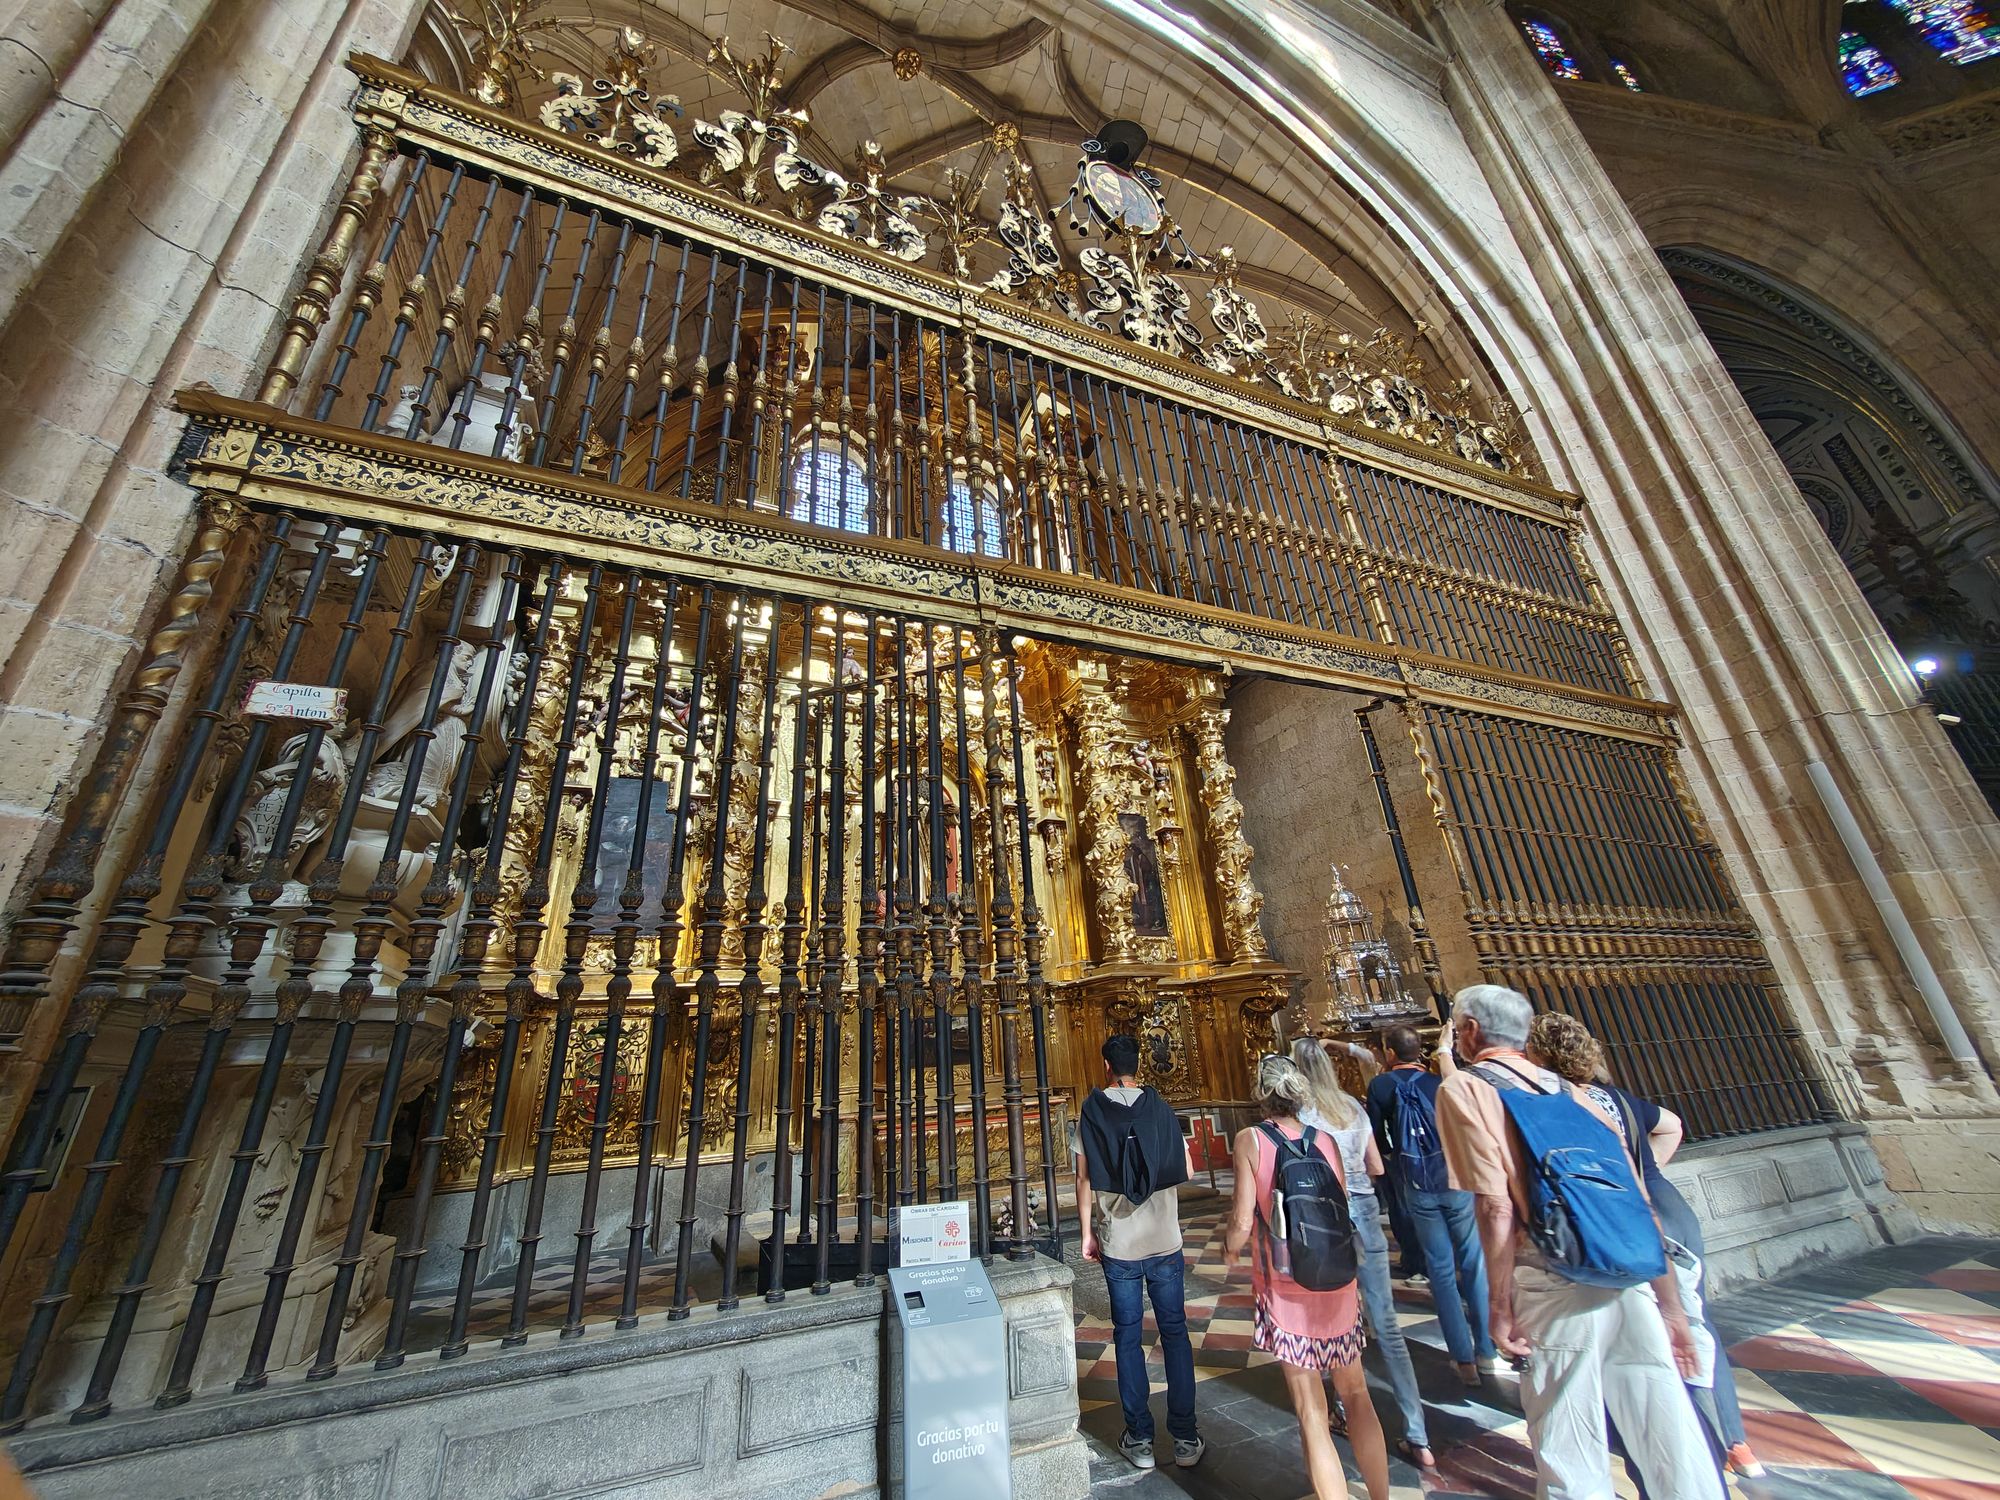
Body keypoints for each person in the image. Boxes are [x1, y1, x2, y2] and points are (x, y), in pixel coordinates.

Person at [1435, 985, 1723, 1500]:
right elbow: (1636, 1197)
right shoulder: (1572, 1090)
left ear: (1471, 1030)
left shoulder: (1466, 1088)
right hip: (1625, 1271)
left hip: (1551, 1275)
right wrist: (1671, 1305)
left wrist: (1498, 1305)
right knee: (1669, 1431)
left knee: (1568, 1440)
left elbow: (1496, 1205)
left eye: (1458, 1028)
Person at [1526, 1012, 1765, 1485]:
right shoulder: (1615, 1096)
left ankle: (1692, 1460)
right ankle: (1736, 1444)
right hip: (1673, 1210)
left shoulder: (1563, 1105)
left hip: (1634, 1221)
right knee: (1696, 1327)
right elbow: (1672, 1125)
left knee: (1654, 1347)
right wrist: (1647, 1169)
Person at [1226, 1054, 1391, 1500]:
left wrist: (1230, 1248)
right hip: (1337, 1278)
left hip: (1287, 1285)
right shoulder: (1325, 1140)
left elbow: (1242, 1218)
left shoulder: (1250, 1140)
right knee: (1356, 1393)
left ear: (1260, 1094)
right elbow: (1341, 1208)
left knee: (1312, 1411)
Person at [1292, 1038, 1436, 1470]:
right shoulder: (1352, 1107)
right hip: (1366, 1213)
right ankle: (1418, 1433)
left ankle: (1341, 1407)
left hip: (1327, 1221)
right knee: (1387, 1325)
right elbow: (1376, 1166)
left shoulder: (1302, 1115)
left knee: (1334, 1321)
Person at [1075, 1034, 1202, 1472]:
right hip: (1164, 1238)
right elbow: (1188, 1169)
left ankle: (1141, 1439)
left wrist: (1088, 1233)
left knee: (1127, 1336)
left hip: (1120, 1243)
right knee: (1176, 1333)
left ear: (1106, 1066)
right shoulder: (1160, 1108)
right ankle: (1185, 1438)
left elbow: (1084, 1179)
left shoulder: (1092, 1110)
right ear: (1138, 1066)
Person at [1365, 1023, 1495, 1387]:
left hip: (1416, 1181)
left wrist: (1393, 1164)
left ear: (1390, 1053)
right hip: (1455, 1177)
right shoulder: (1440, 1083)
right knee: (1473, 1262)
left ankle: (1462, 1358)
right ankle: (1486, 1350)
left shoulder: (1381, 1085)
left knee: (1440, 1269)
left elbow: (1378, 1137)